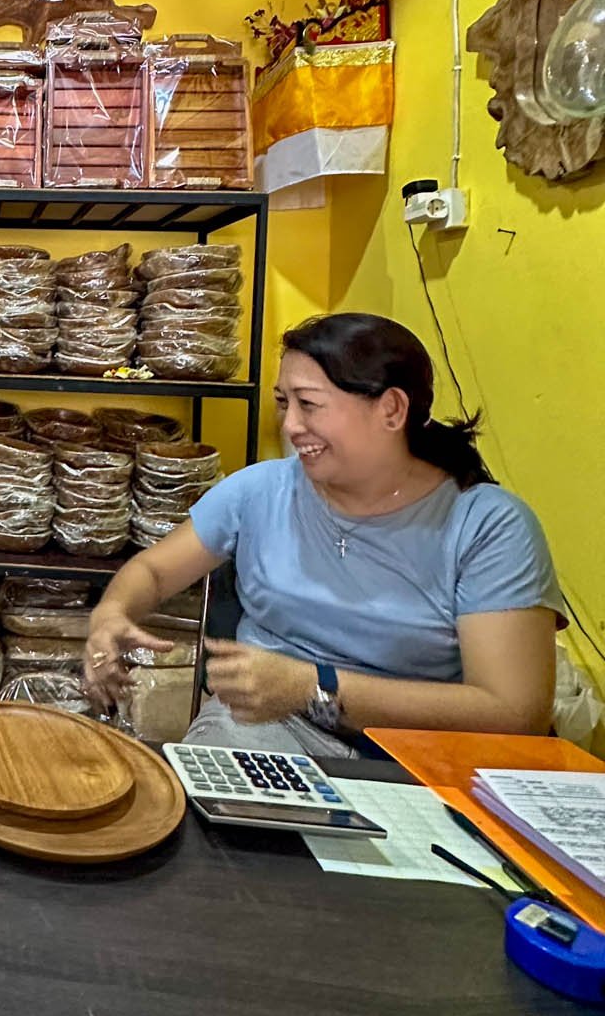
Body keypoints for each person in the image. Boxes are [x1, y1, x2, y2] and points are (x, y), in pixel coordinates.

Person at [84, 312, 562, 756]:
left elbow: (514, 714)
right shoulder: (261, 490)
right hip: (269, 727)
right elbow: (153, 570)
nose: (290, 426)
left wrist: (316, 687)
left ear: (392, 409)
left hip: (427, 752)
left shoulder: (487, 526)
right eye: (282, 403)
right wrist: (111, 613)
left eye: (309, 405)